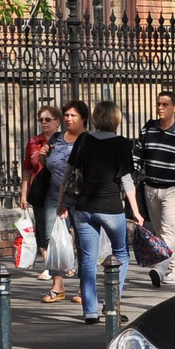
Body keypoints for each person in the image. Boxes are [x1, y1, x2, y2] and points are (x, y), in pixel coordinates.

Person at [59, 100, 145, 324]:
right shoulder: (121, 143)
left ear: (95, 118)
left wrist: (61, 204)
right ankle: (112, 304)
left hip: (84, 207)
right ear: (116, 119)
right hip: (110, 207)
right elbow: (126, 180)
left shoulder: (83, 140)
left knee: (88, 258)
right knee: (122, 254)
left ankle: (89, 311)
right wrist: (136, 211)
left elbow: (67, 175)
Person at [39, 100, 88, 304]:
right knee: (54, 240)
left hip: (81, 198)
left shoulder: (88, 139)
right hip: (55, 196)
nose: (68, 119)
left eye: (73, 115)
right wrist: (43, 157)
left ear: (83, 119)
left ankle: (84, 287)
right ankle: (57, 285)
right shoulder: (57, 138)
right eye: (66, 115)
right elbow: (47, 166)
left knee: (84, 243)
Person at [135, 91, 175, 287]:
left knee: (168, 230)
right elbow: (138, 155)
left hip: (174, 188)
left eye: (165, 104)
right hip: (151, 188)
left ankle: (160, 268)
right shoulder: (149, 129)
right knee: (161, 231)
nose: (160, 108)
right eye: (158, 104)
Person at [20, 106, 60, 273]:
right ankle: (48, 265)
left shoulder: (63, 141)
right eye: (41, 119)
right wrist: (23, 194)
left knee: (62, 227)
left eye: (47, 119)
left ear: (57, 122)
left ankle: (64, 260)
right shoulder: (33, 142)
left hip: (59, 189)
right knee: (42, 227)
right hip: (40, 190)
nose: (44, 123)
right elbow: (27, 169)